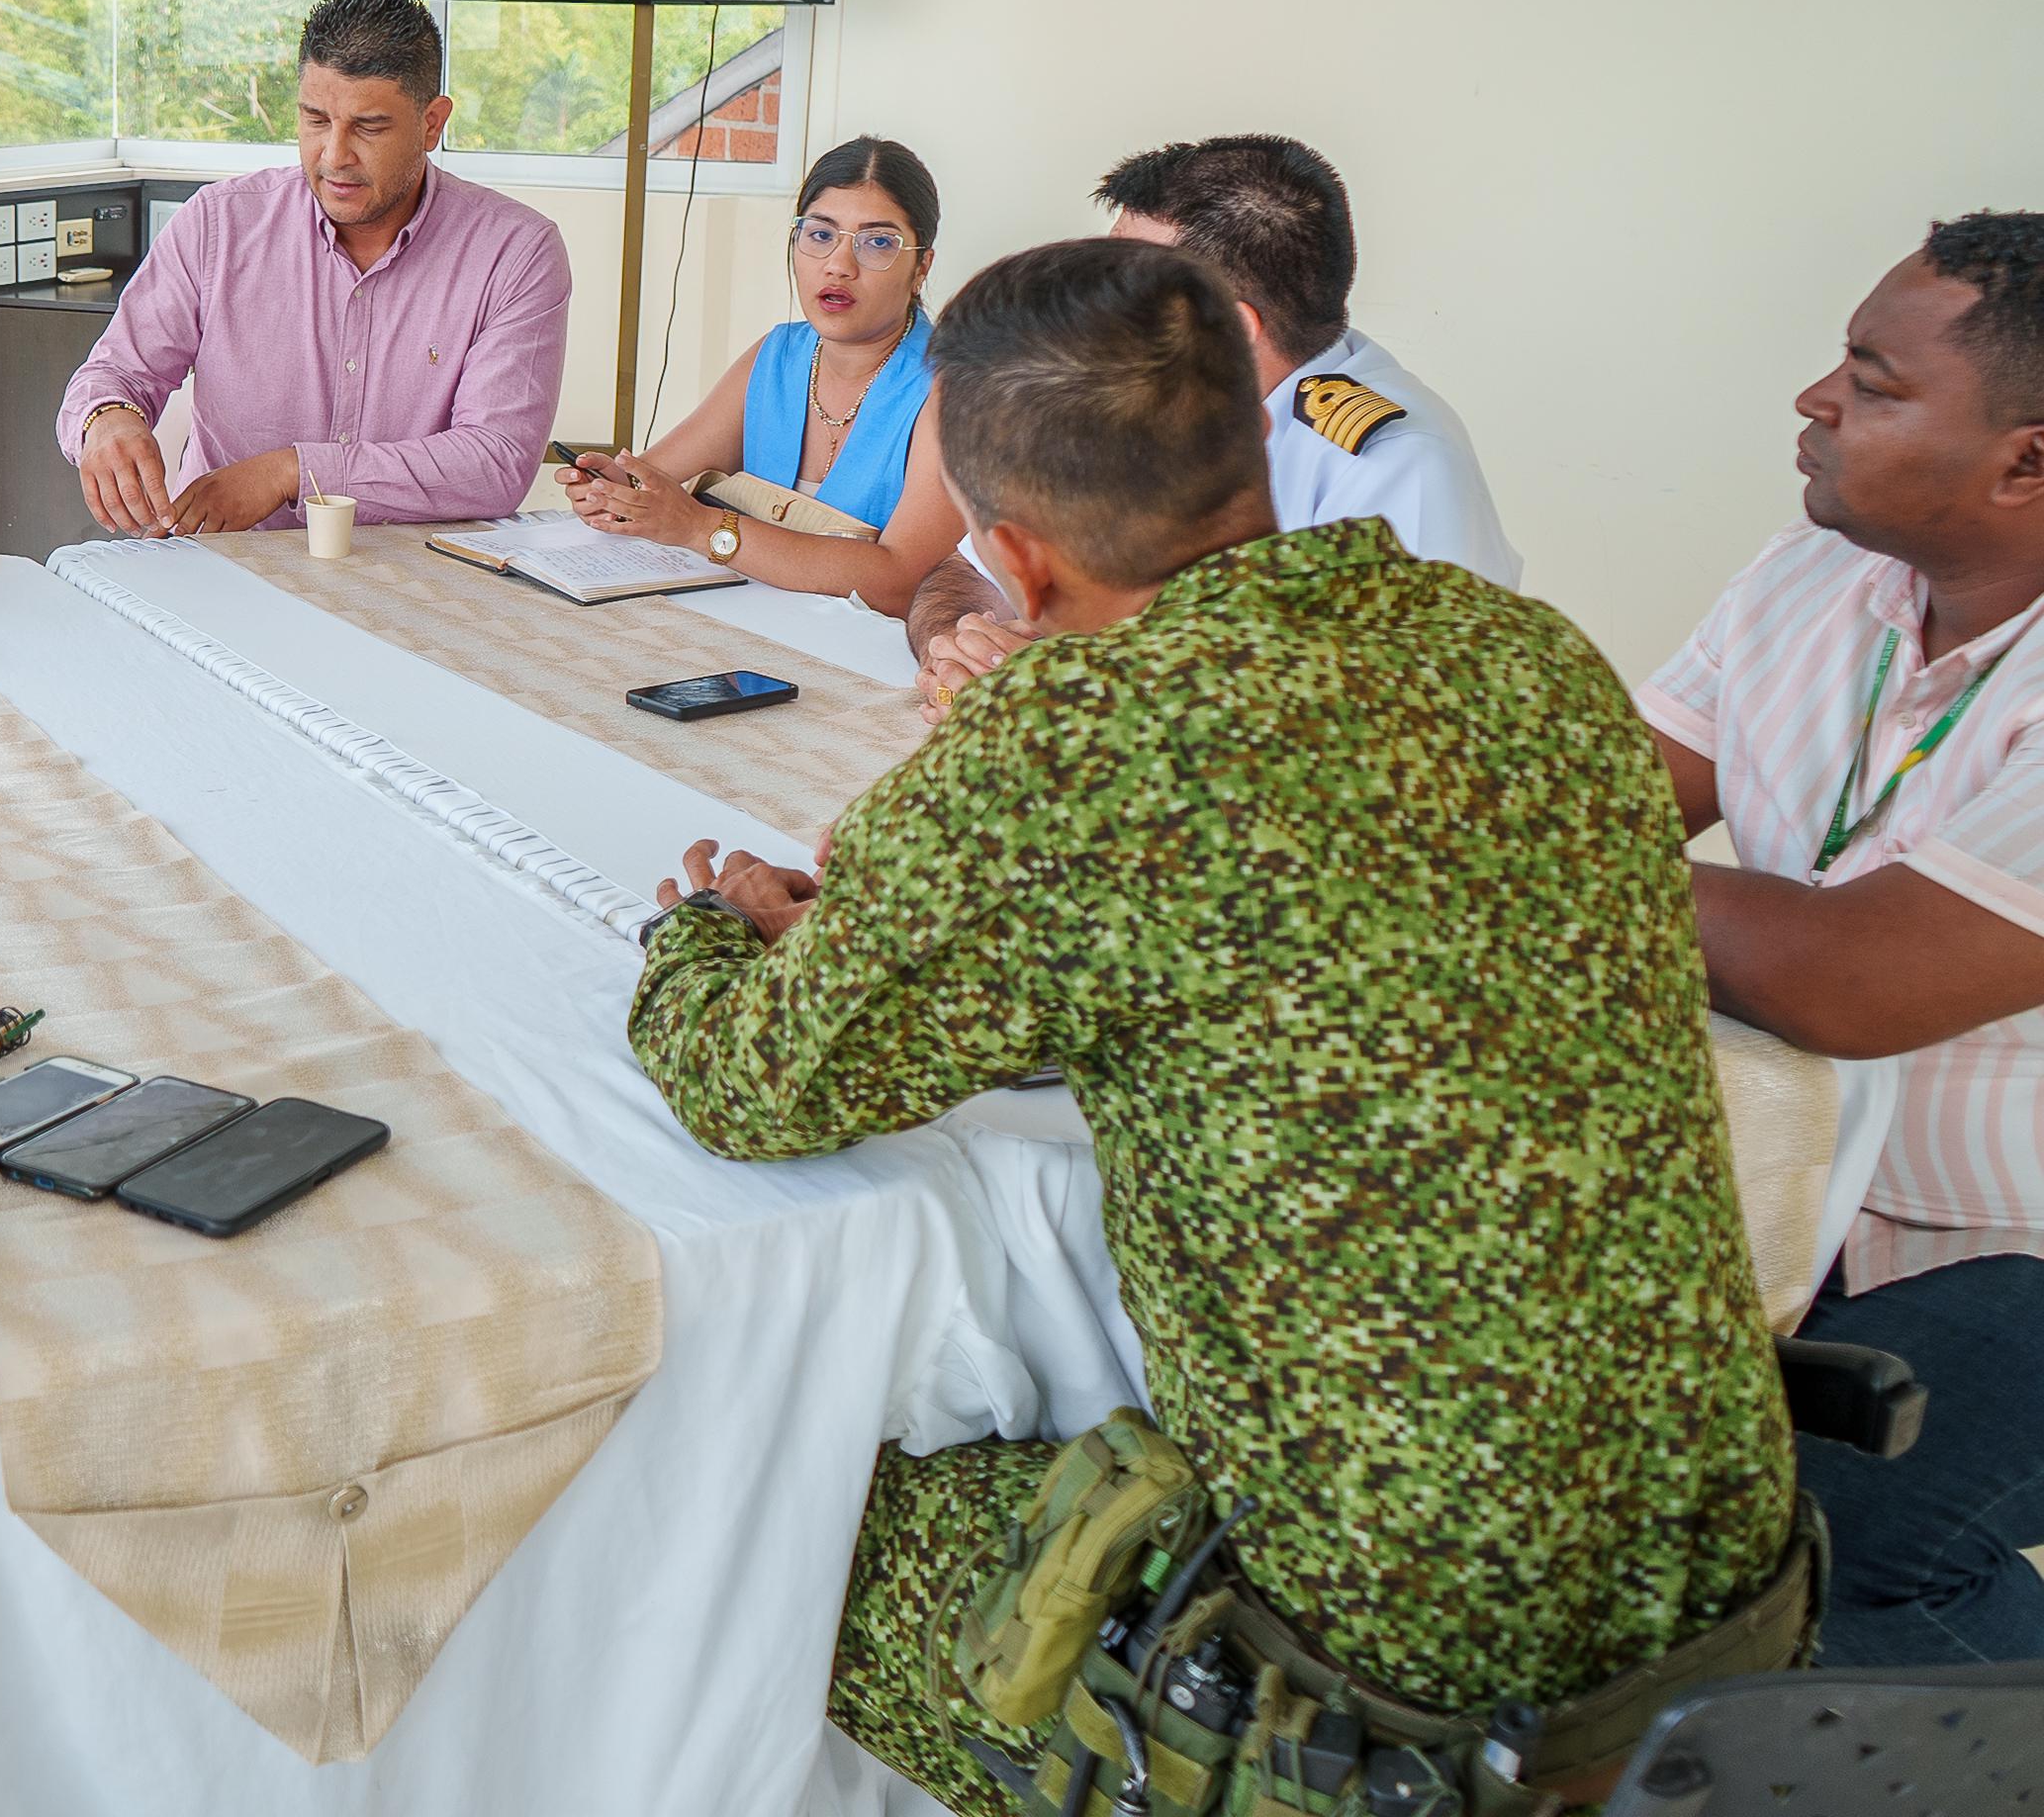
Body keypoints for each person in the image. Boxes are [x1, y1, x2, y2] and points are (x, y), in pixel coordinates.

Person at [629, 238, 1796, 1812]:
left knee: (774, 1504)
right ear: (1256, 431)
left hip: (1387, 1696)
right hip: (1732, 1606)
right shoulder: (1529, 653)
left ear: (1018, 567)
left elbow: (755, 1083)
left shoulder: (1075, 741)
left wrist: (701, 936)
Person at [1642, 210, 2044, 1667]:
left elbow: (1850, 979)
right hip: (1804, 1193)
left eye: (1873, 386)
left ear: (2028, 460)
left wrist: (1562, 862)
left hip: (2016, 1237)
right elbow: (1596, 794)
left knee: (1835, 1544)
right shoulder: (1805, 579)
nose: (1815, 401)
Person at [909, 133, 1517, 711]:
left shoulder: (1396, 463)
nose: (1096, 308)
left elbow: (1389, 730)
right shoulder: (1130, 398)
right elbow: (967, 569)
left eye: (1125, 286)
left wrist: (1073, 690)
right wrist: (959, 648)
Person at [58, 0, 570, 535]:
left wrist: (294, 472)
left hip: (417, 579)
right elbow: (116, 373)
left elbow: (496, 463)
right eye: (315, 120)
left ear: (432, 123)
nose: (334, 156)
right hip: (224, 566)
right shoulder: (218, 224)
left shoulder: (517, 252)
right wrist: (107, 419)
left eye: (369, 127)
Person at [555, 136, 963, 613]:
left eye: (877, 243)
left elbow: (898, 581)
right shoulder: (778, 355)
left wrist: (698, 526)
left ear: (921, 267)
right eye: (820, 234)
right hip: (753, 626)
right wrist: (613, 492)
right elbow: (650, 479)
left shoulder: (955, 390)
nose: (838, 265)